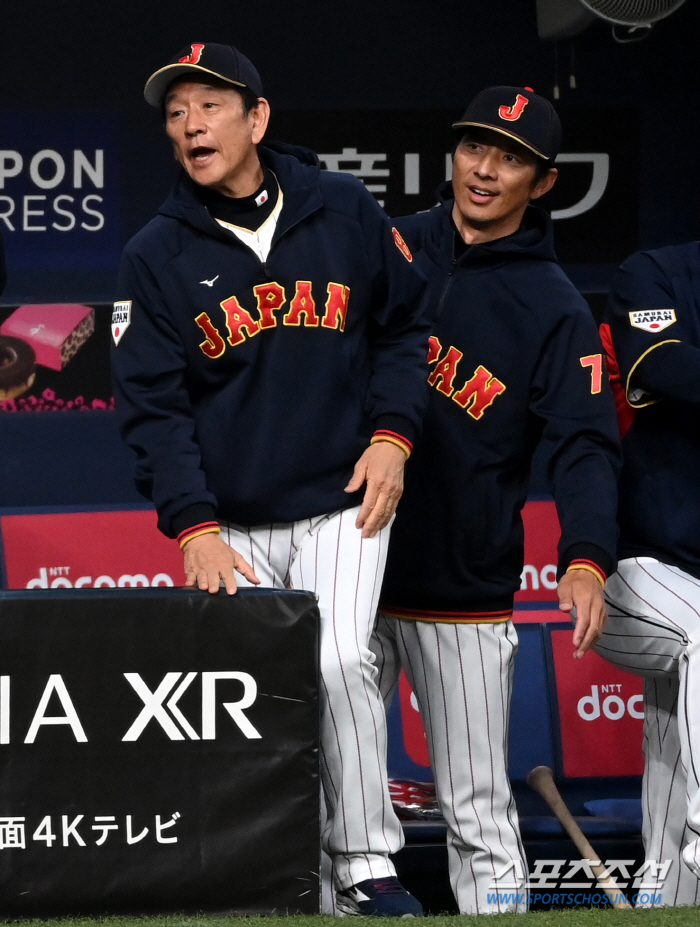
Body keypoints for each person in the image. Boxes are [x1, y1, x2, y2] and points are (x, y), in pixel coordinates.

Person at [110, 42, 429, 917]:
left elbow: (404, 330)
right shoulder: (157, 251)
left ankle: (366, 863)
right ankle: (282, 873)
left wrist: (396, 435)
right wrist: (194, 525)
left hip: (342, 499)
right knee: (253, 688)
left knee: (333, 662)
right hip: (233, 522)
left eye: (208, 106)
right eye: (175, 114)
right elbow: (152, 403)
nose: (189, 125)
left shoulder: (343, 207)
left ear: (257, 118)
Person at [371, 86, 621, 914]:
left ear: (544, 182)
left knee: (477, 809)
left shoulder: (552, 305)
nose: (485, 168)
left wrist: (585, 555)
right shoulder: (389, 246)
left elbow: (585, 443)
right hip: (352, 567)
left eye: (511, 156)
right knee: (345, 806)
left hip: (462, 586)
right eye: (476, 145)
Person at [594, 243, 700, 907]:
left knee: (672, 724)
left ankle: (666, 897)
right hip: (636, 567)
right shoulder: (657, 272)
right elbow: (659, 361)